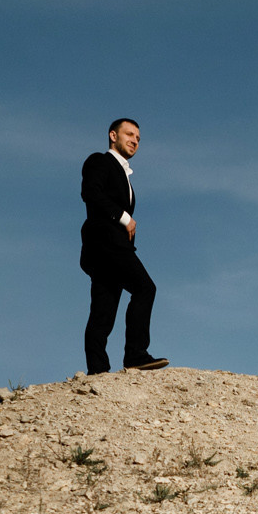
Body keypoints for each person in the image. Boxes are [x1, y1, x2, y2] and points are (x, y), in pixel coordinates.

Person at [81, 119, 168, 374]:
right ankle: (136, 355)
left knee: (103, 310)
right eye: (129, 134)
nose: (135, 140)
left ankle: (97, 371)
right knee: (145, 288)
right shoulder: (99, 161)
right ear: (113, 136)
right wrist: (124, 217)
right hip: (106, 244)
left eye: (138, 138)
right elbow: (91, 192)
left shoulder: (124, 175)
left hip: (111, 247)